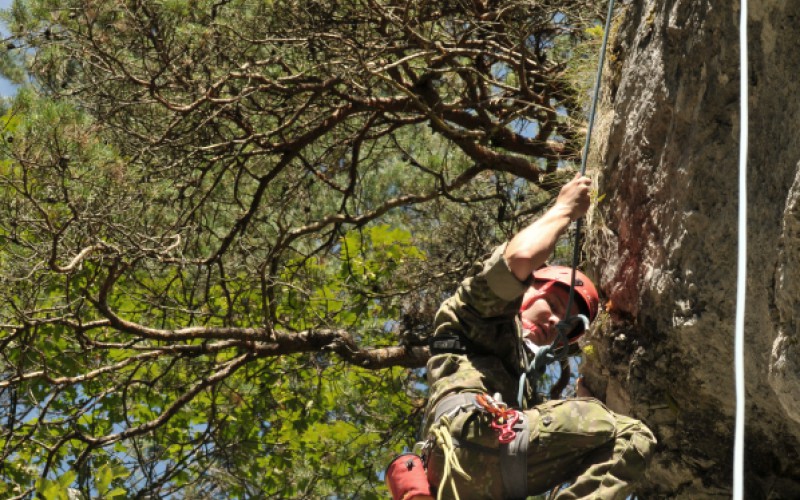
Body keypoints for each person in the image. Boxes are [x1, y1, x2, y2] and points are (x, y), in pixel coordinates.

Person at [411, 174, 655, 499]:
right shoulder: (476, 313)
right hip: (471, 432)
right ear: (532, 287)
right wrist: (564, 208)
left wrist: (581, 404)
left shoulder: (520, 389)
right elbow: (520, 258)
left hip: (463, 477)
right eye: (553, 304)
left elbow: (546, 427)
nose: (556, 322)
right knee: (631, 436)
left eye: (567, 328)